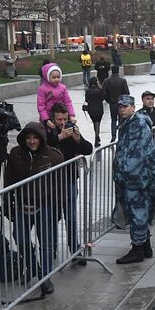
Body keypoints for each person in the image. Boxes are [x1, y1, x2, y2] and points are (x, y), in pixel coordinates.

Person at [4, 122, 66, 296]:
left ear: (41, 139)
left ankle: (45, 277)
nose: (32, 141)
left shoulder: (54, 156)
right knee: (20, 238)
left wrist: (58, 208)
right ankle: (33, 267)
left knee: (46, 243)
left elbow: (61, 185)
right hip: (23, 204)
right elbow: (8, 181)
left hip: (46, 205)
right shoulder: (15, 154)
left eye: (35, 138)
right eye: (28, 138)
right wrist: (8, 204)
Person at [112, 95, 155, 264]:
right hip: (132, 177)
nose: (122, 109)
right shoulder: (127, 122)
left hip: (136, 177)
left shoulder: (138, 124)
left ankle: (137, 249)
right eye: (120, 107)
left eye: (125, 106)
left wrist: (126, 172)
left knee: (138, 212)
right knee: (138, 212)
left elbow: (138, 154)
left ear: (133, 107)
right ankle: (145, 246)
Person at [45, 104, 94, 259]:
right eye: (59, 119)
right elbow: (43, 147)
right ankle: (50, 250)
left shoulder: (72, 129)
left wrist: (78, 139)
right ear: (53, 119)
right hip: (51, 183)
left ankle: (75, 249)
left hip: (69, 180)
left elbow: (88, 149)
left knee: (71, 216)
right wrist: (59, 137)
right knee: (52, 218)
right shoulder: (48, 131)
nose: (63, 123)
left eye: (65, 119)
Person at [84, 75, 107, 146]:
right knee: (98, 123)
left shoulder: (88, 90)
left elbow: (86, 100)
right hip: (99, 108)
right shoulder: (99, 90)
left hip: (91, 109)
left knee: (94, 122)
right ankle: (96, 137)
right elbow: (103, 98)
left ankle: (97, 135)